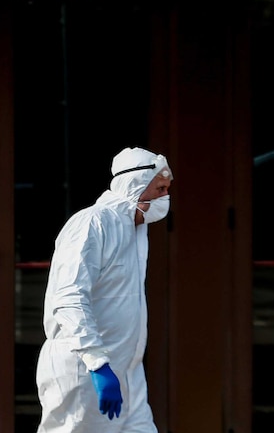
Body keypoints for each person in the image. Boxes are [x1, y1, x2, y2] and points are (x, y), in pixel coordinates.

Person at [36, 147, 173, 433]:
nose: (166, 197)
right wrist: (98, 365)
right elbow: (69, 298)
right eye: (160, 188)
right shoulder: (93, 223)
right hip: (83, 371)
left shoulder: (134, 230)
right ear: (136, 184)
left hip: (126, 371)